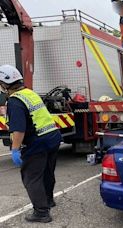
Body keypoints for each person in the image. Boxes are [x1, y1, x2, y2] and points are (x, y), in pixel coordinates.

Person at [0, 65, 62, 223]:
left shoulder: (14, 102)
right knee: (48, 172)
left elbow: (19, 131)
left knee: (32, 177)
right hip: (53, 137)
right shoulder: (30, 93)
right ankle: (48, 200)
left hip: (37, 142)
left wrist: (15, 150)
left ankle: (42, 212)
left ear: (5, 84)